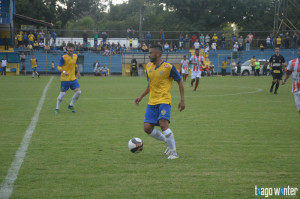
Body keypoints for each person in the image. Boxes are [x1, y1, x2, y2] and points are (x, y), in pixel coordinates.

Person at [134, 44, 185, 159]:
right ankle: (167, 142)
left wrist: (182, 100)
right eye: (149, 52)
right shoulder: (148, 67)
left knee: (163, 125)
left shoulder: (168, 67)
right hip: (152, 102)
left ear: (158, 54)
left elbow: (180, 82)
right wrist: (141, 96)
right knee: (147, 128)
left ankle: (174, 153)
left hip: (164, 100)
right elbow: (150, 85)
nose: (149, 55)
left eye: (151, 53)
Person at [55, 43, 81, 114]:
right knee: (62, 94)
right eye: (69, 48)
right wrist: (63, 71)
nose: (70, 49)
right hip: (65, 79)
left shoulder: (75, 56)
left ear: (73, 49)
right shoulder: (64, 57)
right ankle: (57, 108)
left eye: (72, 48)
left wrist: (78, 72)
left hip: (73, 78)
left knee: (78, 92)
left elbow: (75, 65)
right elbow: (59, 67)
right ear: (67, 48)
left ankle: (71, 105)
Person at [282, 47, 300, 114]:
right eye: (299, 50)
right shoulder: (292, 62)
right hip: (296, 89)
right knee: (299, 110)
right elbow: (288, 72)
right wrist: (284, 80)